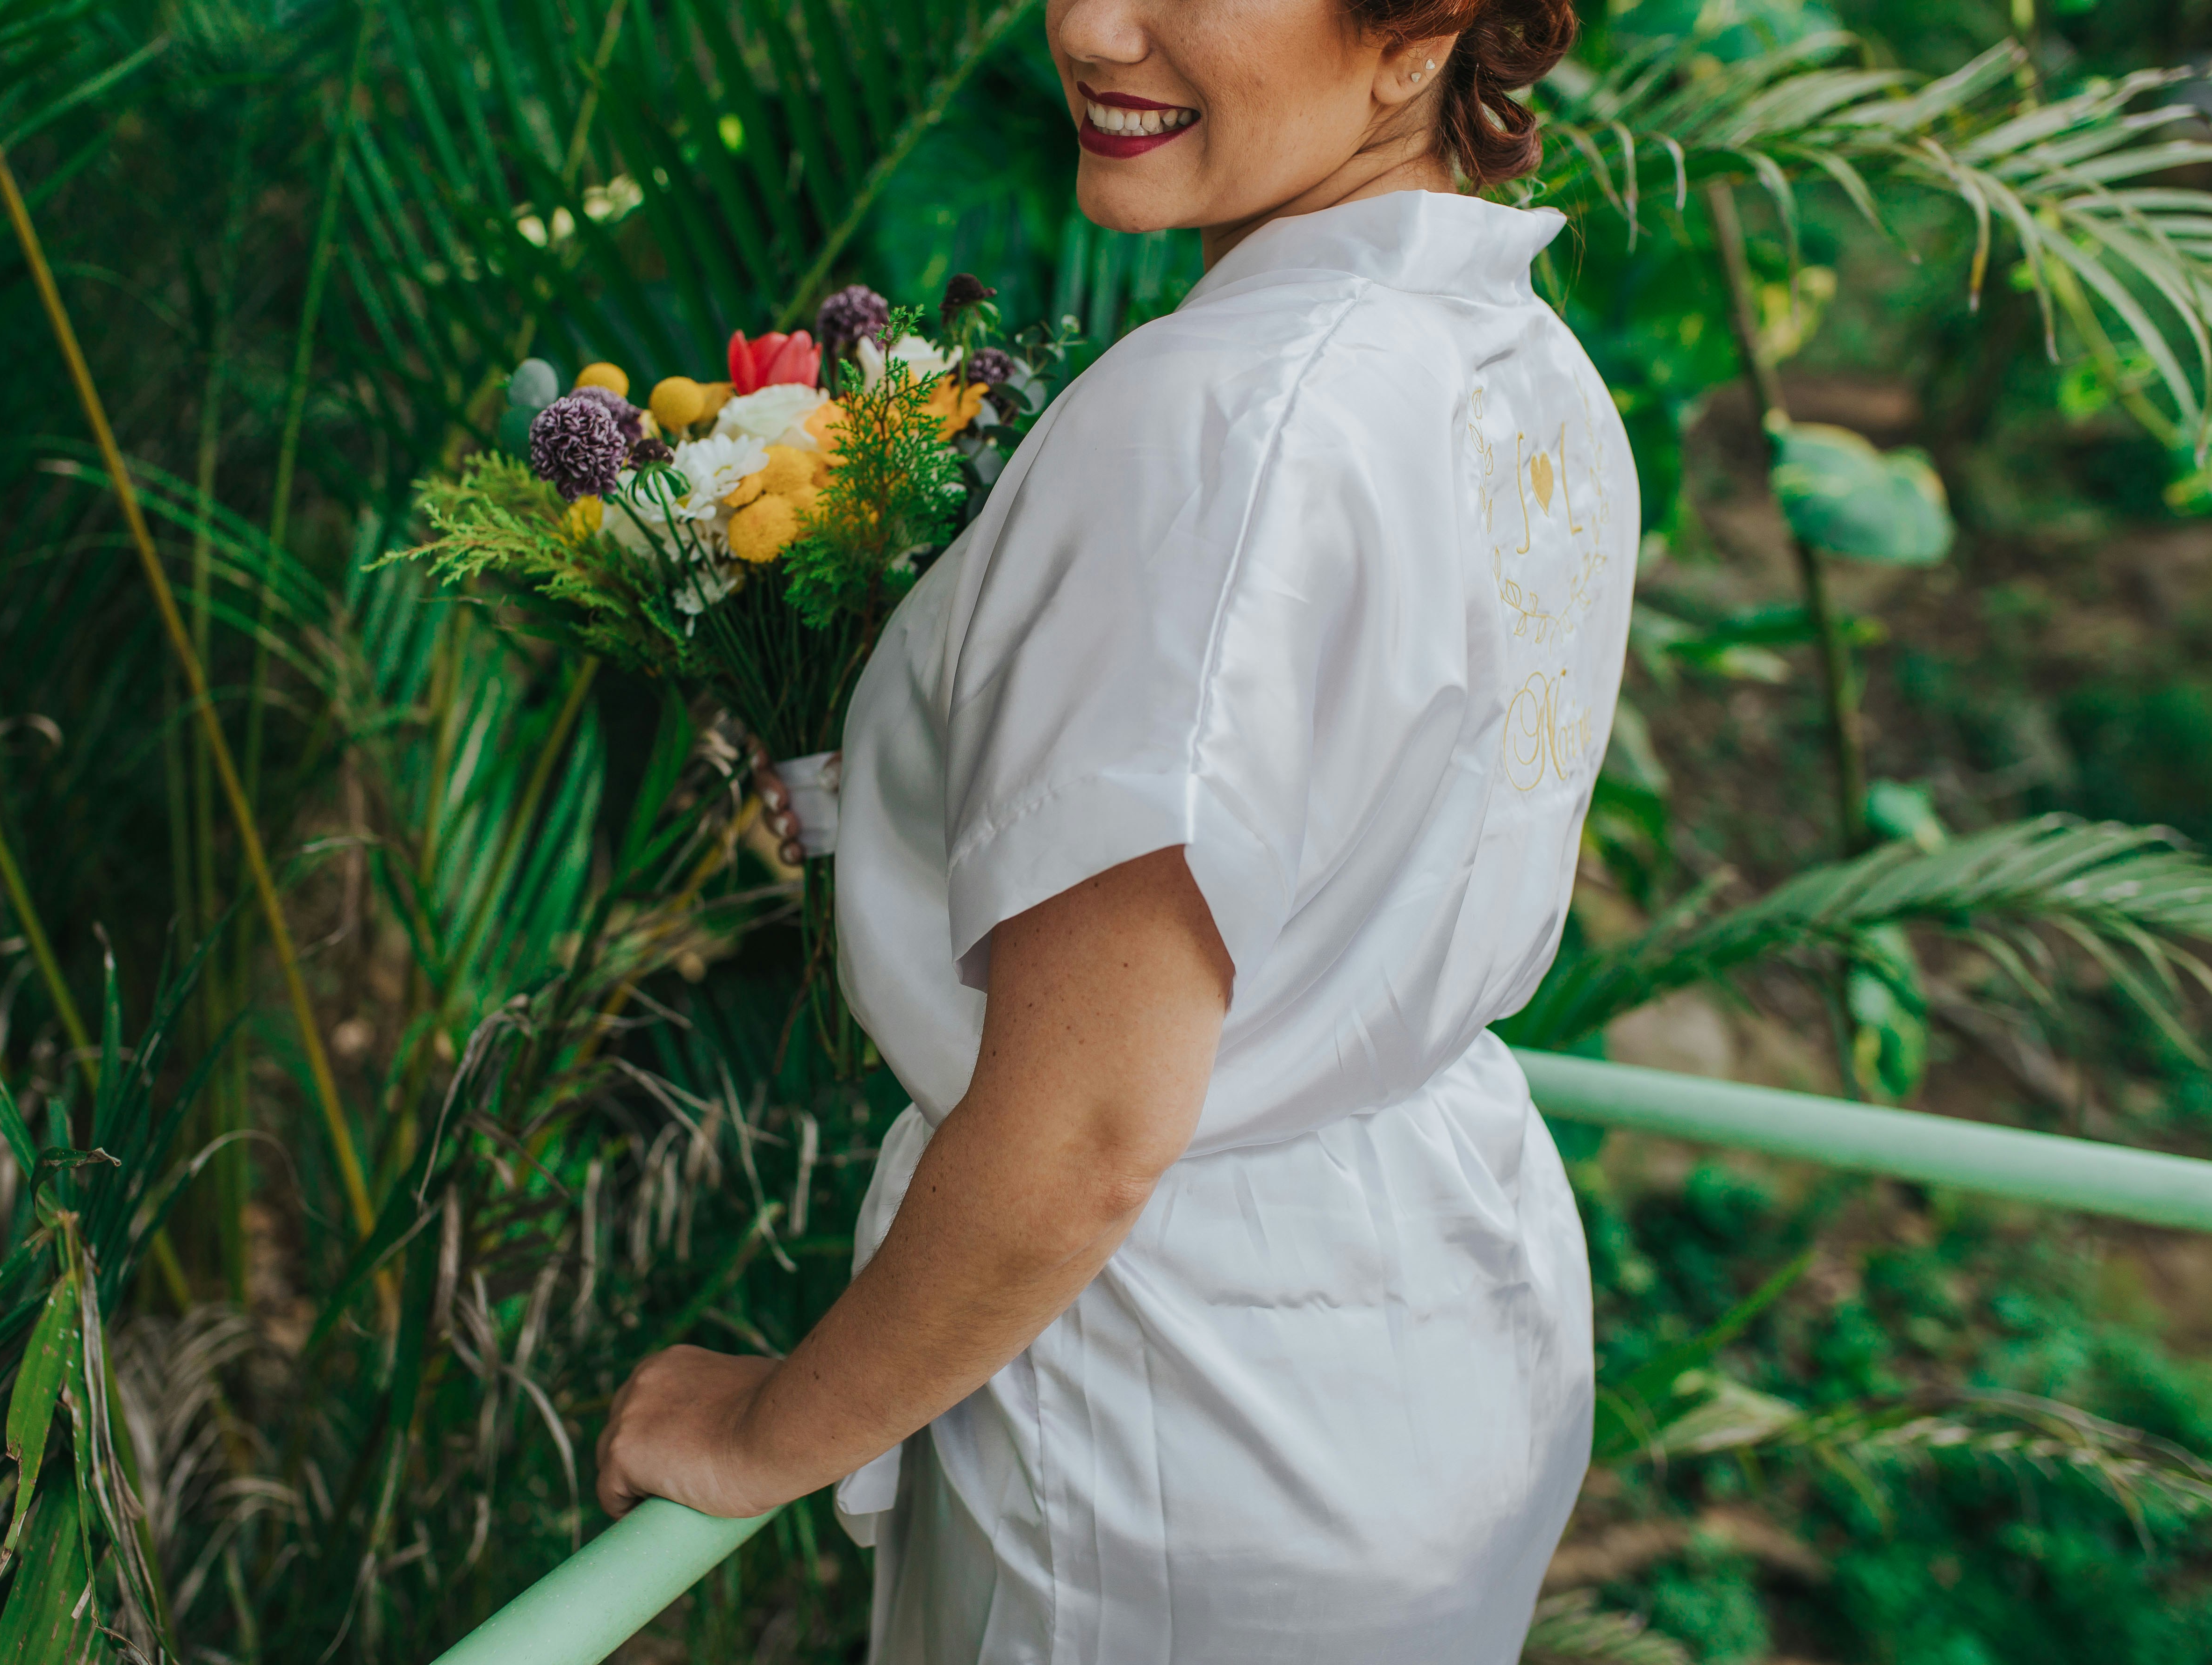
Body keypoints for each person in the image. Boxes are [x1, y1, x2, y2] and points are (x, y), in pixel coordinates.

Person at [596, 0, 1634, 1654]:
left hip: (1176, 1407)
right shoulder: (1516, 366)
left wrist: (761, 1430)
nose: (1089, 25)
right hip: (1434, 1330)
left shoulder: (1220, 421)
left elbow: (1087, 1129)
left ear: (1421, 32)